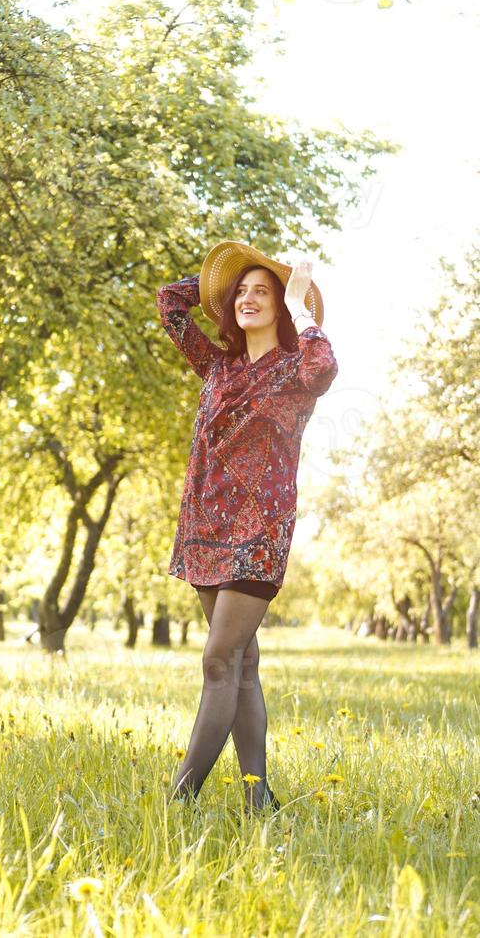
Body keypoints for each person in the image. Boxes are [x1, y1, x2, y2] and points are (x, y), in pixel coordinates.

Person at [156, 240, 338, 812]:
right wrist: (218, 280)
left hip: (259, 532)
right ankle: (260, 800)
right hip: (205, 528)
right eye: (242, 292)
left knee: (217, 661)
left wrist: (300, 301)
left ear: (282, 306)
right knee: (242, 664)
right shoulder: (216, 365)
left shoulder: (297, 368)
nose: (249, 298)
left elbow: (325, 369)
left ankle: (180, 797)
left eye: (263, 291)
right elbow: (169, 303)